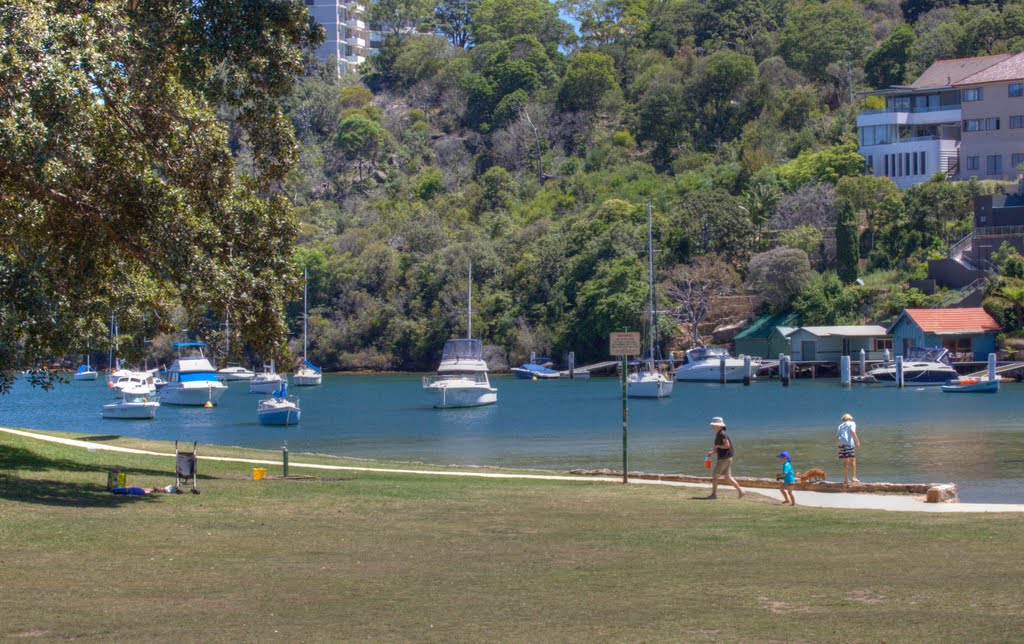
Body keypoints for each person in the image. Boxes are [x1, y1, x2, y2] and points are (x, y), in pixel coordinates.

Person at [705, 417, 744, 499]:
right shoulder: (720, 433)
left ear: (719, 426)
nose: (712, 426)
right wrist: (712, 452)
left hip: (724, 458)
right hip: (727, 458)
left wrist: (718, 446)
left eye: (714, 424)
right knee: (728, 477)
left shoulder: (722, 434)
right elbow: (721, 447)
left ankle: (714, 495)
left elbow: (727, 446)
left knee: (715, 476)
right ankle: (741, 491)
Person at [837, 412, 861, 484]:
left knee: (845, 462)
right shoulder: (852, 423)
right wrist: (857, 441)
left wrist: (839, 445)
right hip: (848, 444)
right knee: (853, 460)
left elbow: (837, 436)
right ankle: (853, 477)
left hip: (842, 444)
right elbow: (853, 432)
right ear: (850, 418)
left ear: (843, 419)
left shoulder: (840, 425)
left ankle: (845, 479)